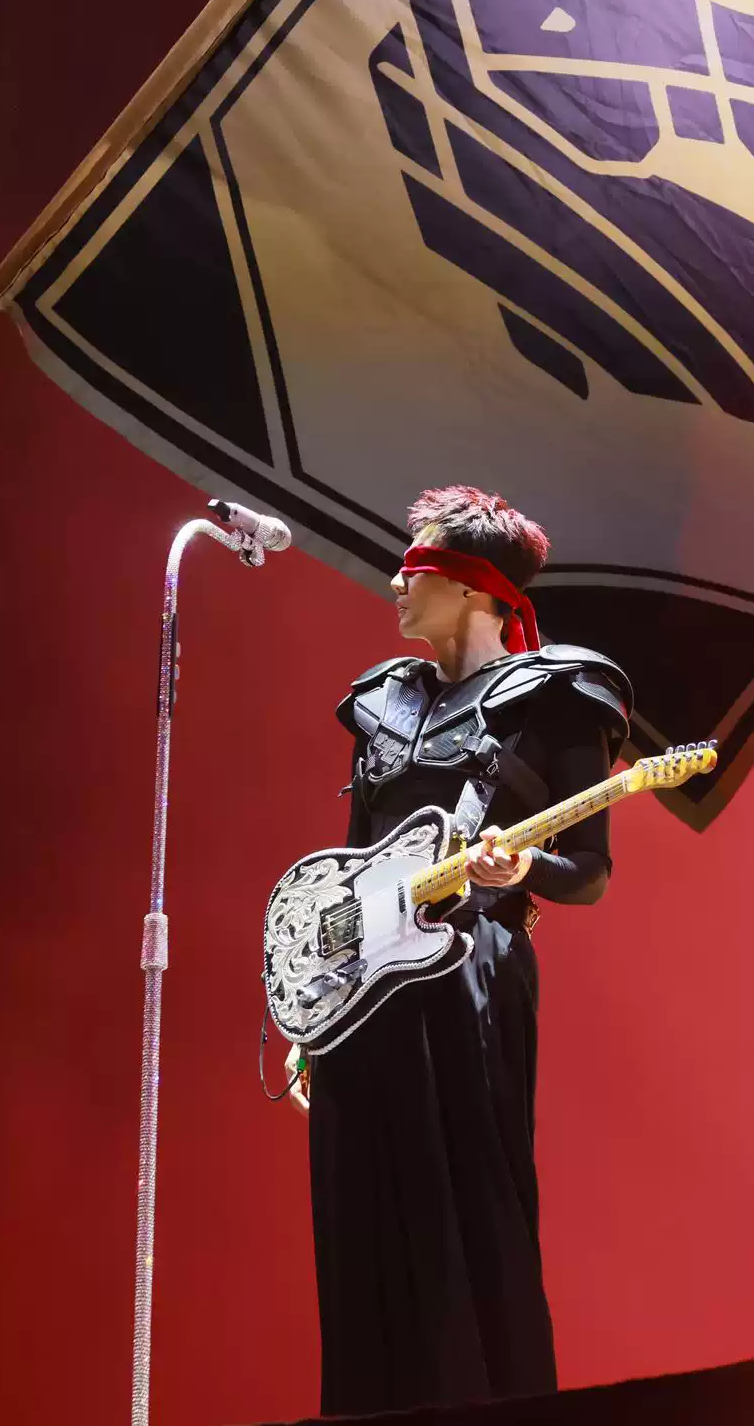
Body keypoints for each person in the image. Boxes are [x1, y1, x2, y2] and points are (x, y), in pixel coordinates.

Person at [285, 484, 632, 1417]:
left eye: (419, 567)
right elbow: (352, 864)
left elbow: (589, 872)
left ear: (476, 587)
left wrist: (521, 868)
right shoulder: (382, 704)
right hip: (364, 995)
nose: (397, 581)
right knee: (360, 1216)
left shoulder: (556, 697)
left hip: (471, 970)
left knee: (469, 1200)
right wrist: (316, 1012)